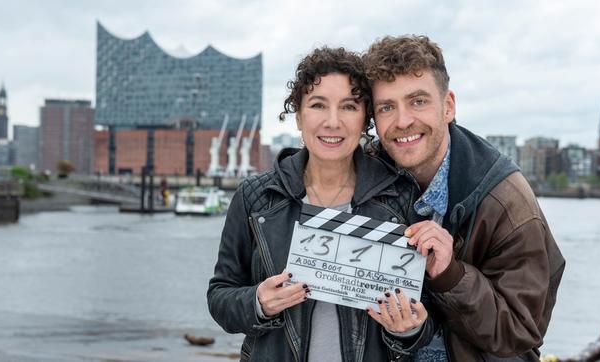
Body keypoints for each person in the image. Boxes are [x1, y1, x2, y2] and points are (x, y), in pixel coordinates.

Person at [208, 47, 433, 361]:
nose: (332, 121)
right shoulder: (256, 197)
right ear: (298, 116)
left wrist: (408, 330)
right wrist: (258, 302)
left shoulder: (400, 196)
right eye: (317, 105)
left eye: (349, 106)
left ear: (365, 118)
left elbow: (430, 317)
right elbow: (220, 296)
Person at [363, 35, 566, 361]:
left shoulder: (507, 201)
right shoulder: (363, 178)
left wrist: (450, 275)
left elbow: (519, 330)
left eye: (418, 101)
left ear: (448, 107)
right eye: (387, 107)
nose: (402, 121)